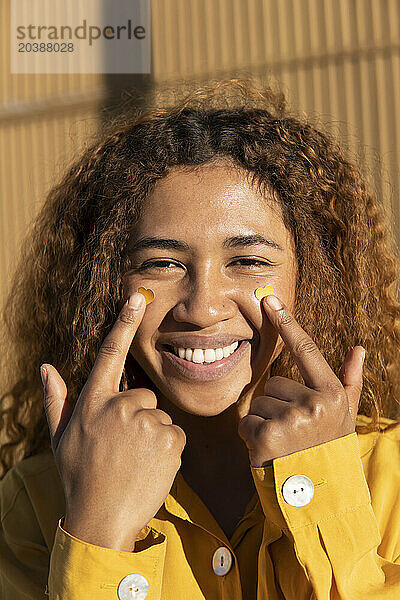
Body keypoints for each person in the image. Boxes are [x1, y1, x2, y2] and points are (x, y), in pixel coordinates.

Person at [1, 76, 400, 600]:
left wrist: (319, 491)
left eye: (249, 261)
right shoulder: (35, 501)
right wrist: (97, 533)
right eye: (162, 263)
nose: (202, 308)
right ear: (103, 285)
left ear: (315, 278)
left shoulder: (390, 475)